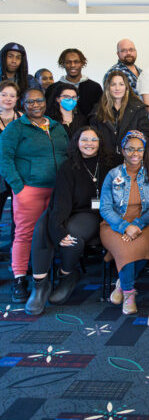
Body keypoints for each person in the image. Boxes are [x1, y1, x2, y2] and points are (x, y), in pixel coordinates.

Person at [25, 126, 116, 315]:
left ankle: (66, 275)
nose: (89, 144)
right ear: (77, 142)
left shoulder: (111, 163)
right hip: (68, 209)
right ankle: (40, 284)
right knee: (43, 226)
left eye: (93, 140)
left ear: (100, 143)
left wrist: (62, 232)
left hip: (91, 214)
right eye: (84, 139)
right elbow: (61, 201)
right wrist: (58, 230)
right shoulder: (68, 166)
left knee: (72, 235)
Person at [0, 87, 69, 302]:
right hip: (29, 190)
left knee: (51, 231)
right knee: (25, 234)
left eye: (39, 101)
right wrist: (18, 187)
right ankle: (20, 279)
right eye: (30, 102)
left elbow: (67, 153)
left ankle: (46, 274)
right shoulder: (15, 128)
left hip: (57, 190)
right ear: (24, 104)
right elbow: (4, 159)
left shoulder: (57, 127)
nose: (35, 105)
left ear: (45, 103)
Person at [100, 131, 149, 315]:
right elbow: (105, 208)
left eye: (139, 149)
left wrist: (138, 224)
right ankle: (129, 293)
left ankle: (121, 284)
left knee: (143, 250)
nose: (135, 153)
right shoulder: (113, 175)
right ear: (122, 150)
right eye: (130, 149)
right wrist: (124, 227)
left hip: (144, 222)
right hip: (114, 224)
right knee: (126, 249)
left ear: (144, 151)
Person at [90, 70, 149, 158]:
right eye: (113, 84)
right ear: (108, 87)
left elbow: (146, 136)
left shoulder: (138, 109)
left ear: (126, 87)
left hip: (131, 160)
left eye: (121, 84)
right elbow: (94, 139)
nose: (117, 88)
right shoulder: (97, 111)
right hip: (105, 161)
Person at [45, 48, 103, 117]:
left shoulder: (95, 88)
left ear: (82, 63)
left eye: (76, 62)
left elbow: (100, 114)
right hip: (60, 127)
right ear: (63, 64)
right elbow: (48, 113)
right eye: (68, 62)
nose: (72, 65)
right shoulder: (52, 89)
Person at [0, 81, 21, 224]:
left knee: (18, 216)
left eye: (12, 95)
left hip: (18, 171)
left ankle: (16, 246)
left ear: (17, 99)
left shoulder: (23, 118)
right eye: (4, 94)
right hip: (0, 173)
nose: (8, 98)